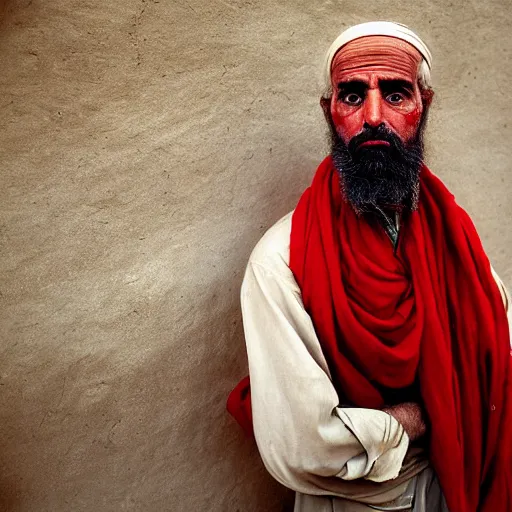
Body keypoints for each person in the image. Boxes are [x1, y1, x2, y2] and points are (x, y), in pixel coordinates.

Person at [227, 21, 512, 512]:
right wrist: (423, 415)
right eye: (353, 96)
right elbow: (304, 447)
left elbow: (498, 348)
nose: (374, 117)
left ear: (424, 106)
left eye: (396, 94)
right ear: (328, 111)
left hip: (457, 484)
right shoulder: (280, 262)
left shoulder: (455, 239)